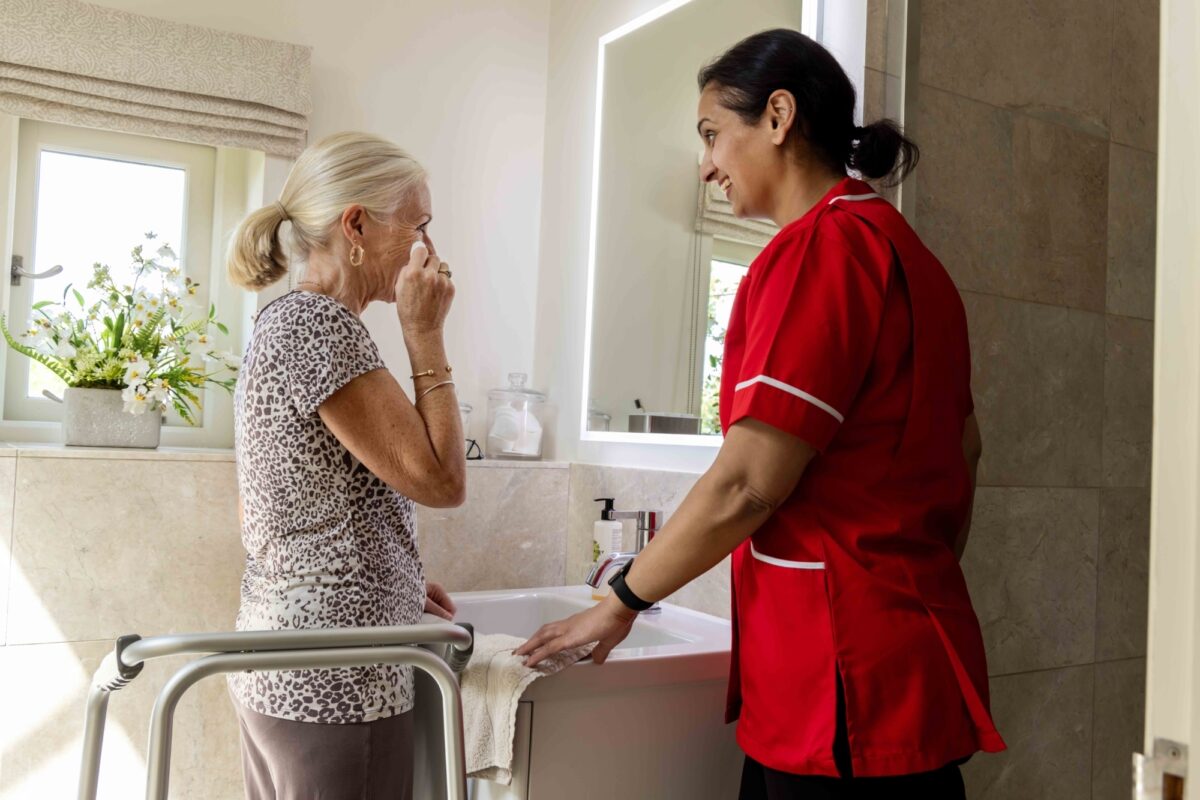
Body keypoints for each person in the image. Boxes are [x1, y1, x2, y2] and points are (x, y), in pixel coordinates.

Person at [516, 29, 1005, 799]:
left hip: (835, 681)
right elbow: (967, 449)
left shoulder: (818, 251)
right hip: (906, 657)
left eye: (712, 133)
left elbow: (747, 483)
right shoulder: (912, 258)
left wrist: (622, 601)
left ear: (778, 117)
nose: (705, 165)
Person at [226, 131, 465, 800]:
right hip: (336, 679)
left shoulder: (285, 323)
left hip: (291, 667)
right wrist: (425, 334)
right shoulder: (320, 327)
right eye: (418, 225)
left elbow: (267, 506)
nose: (429, 249)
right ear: (356, 225)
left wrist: (389, 581)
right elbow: (443, 480)